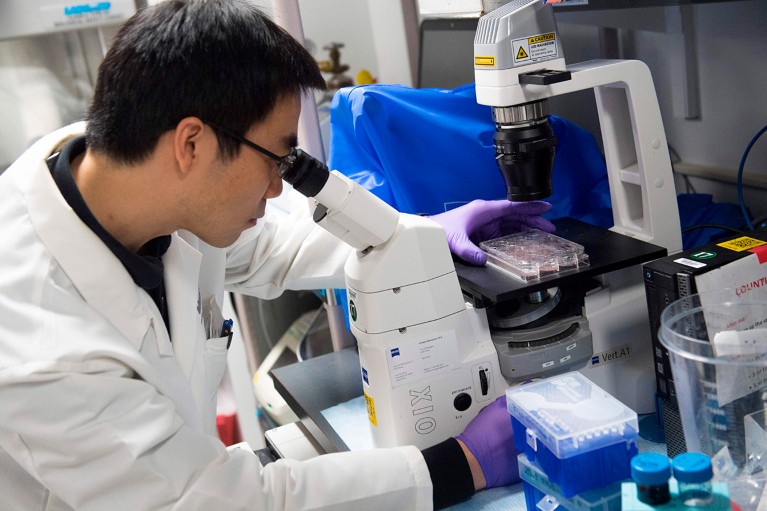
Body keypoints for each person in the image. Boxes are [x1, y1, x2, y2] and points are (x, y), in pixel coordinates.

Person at [0, 1, 555, 510]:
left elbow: (276, 244)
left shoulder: (131, 178)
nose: (275, 189)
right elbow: (214, 501)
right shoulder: (46, 345)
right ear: (191, 144)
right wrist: (461, 465)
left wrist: (422, 235)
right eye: (277, 157)